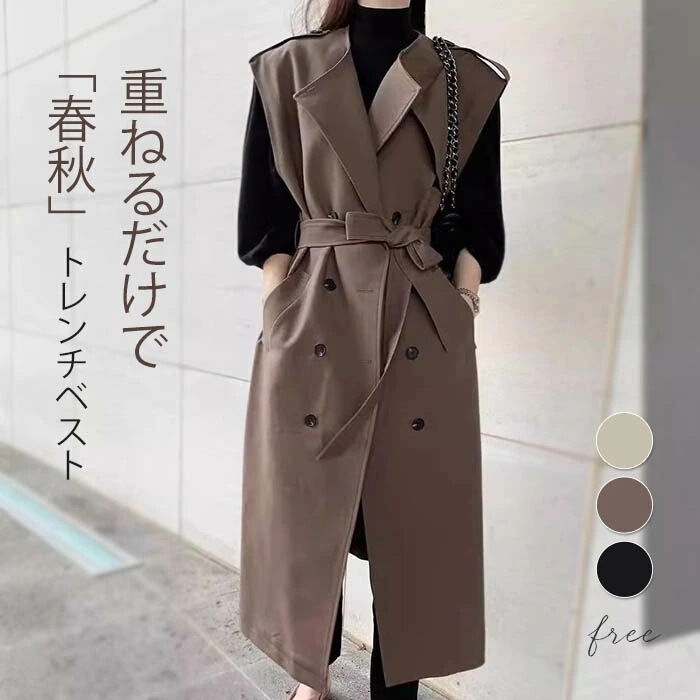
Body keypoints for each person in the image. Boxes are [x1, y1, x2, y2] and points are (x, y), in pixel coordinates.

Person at [236, 2, 510, 699]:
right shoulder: (287, 68)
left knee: (413, 527)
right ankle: (312, 673)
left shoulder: (465, 78)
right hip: (313, 322)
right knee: (311, 510)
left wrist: (463, 300)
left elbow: (481, 221)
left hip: (421, 326)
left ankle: (399, 689)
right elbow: (265, 217)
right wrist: (279, 302)